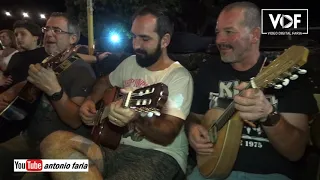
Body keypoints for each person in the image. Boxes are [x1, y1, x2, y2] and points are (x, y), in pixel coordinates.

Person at [39, 4, 193, 180]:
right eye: (134, 37)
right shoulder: (131, 62)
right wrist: (90, 100)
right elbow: (104, 82)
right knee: (53, 143)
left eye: (144, 39)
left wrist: (136, 117)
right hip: (112, 148)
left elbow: (168, 133)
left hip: (160, 155)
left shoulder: (179, 77)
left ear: (165, 40)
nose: (136, 45)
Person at [186, 1, 318, 180]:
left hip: (270, 175)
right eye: (217, 32)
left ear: (255, 35)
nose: (219, 40)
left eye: (229, 32)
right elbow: (194, 117)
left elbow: (295, 151)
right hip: (211, 167)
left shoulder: (288, 78)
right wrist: (193, 129)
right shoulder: (209, 71)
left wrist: (268, 115)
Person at [0, 12, 96, 179]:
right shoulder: (48, 63)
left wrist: (54, 90)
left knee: (24, 174)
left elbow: (75, 120)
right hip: (29, 138)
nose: (49, 34)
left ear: (73, 39)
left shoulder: (81, 70)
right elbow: (28, 88)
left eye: (57, 30)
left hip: (58, 153)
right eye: (47, 29)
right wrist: (12, 92)